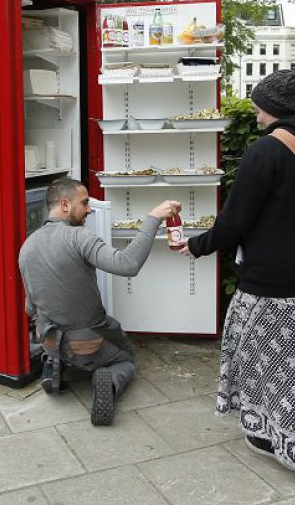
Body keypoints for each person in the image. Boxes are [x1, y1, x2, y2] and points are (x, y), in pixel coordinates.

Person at [179, 69, 295, 471]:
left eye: (260, 106)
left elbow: (235, 221)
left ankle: (280, 438)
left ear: (276, 108)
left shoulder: (266, 151)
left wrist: (196, 245)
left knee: (260, 360)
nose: (257, 115)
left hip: (270, 284)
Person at [19, 177, 180, 426]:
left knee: (67, 338)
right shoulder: (79, 237)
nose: (89, 208)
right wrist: (154, 217)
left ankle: (54, 366)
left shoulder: (27, 246)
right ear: (64, 204)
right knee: (125, 356)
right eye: (84, 203)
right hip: (87, 344)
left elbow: (29, 308)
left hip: (49, 340)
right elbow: (128, 265)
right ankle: (107, 379)